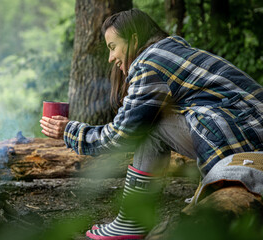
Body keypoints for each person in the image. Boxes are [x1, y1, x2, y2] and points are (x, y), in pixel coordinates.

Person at [40, 8, 263, 240]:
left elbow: (119, 136)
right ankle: (131, 222)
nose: (110, 58)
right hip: (250, 130)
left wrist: (69, 130)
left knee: (147, 126)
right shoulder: (171, 52)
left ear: (134, 38)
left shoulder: (150, 63)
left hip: (248, 137)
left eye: (112, 47)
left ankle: (130, 223)